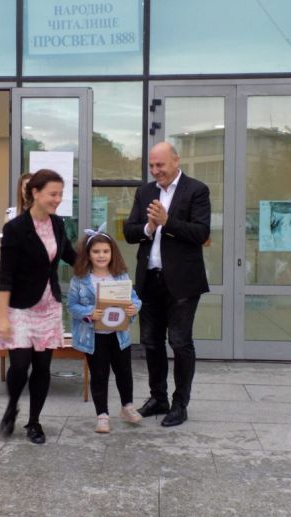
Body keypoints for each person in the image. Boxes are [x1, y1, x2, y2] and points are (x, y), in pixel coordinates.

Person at [124, 141, 210, 427]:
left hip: (183, 283)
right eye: (151, 165)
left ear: (176, 161)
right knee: (151, 342)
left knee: (180, 342)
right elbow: (129, 231)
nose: (155, 170)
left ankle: (180, 404)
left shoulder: (196, 190)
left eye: (160, 164)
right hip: (150, 279)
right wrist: (148, 227)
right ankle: (158, 398)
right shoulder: (145, 192)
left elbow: (200, 233)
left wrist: (167, 221)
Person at [0, 169, 76, 444]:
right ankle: (12, 407)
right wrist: (2, 318)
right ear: (35, 193)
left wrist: (100, 259)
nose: (58, 199)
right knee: (19, 366)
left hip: (49, 305)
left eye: (60, 194)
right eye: (53, 194)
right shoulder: (15, 229)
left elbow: (70, 256)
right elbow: (5, 276)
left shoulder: (58, 224)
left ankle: (34, 422)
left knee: (42, 367)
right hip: (20, 307)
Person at [67, 226, 142, 433]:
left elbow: (135, 299)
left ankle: (127, 406)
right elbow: (72, 306)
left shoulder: (120, 276)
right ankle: (102, 415)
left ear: (112, 253)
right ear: (88, 254)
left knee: (124, 372)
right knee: (99, 375)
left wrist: (133, 308)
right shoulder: (80, 280)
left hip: (119, 336)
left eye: (106, 251)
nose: (101, 255)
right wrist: (89, 313)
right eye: (96, 251)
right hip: (93, 338)